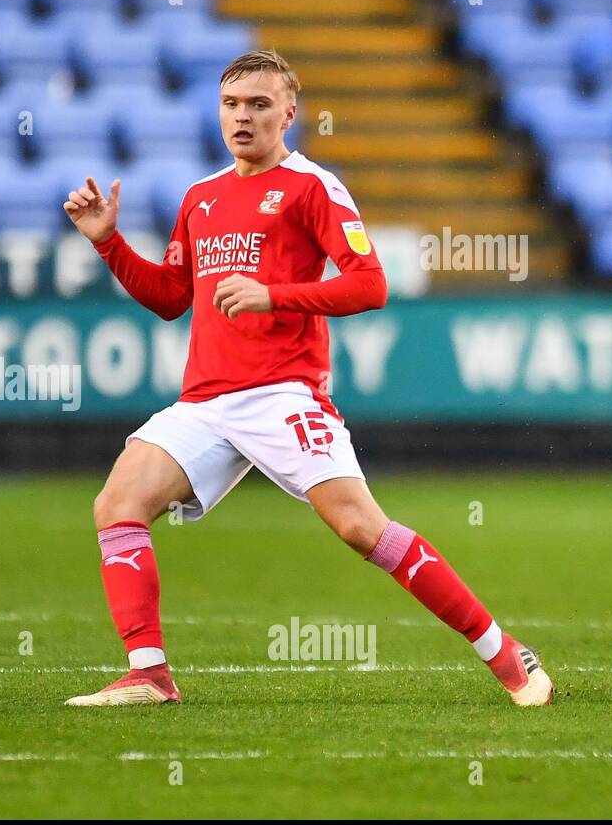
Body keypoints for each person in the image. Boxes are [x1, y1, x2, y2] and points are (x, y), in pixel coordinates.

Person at [61, 50, 553, 708]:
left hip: (282, 390)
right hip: (206, 399)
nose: (244, 117)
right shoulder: (200, 198)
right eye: (233, 105)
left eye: (260, 105)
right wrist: (109, 244)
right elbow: (174, 296)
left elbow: (370, 284)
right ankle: (149, 674)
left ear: (289, 113)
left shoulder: (311, 186)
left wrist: (275, 295)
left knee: (359, 528)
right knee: (117, 502)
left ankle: (506, 653)